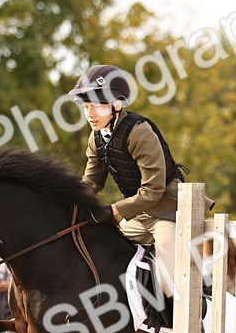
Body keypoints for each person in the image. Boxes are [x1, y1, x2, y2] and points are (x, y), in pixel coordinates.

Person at [69, 64, 207, 295]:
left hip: (167, 212)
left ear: (117, 105)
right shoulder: (97, 138)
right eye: (86, 107)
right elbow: (91, 183)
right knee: (104, 252)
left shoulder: (139, 132)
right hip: (138, 217)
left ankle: (201, 315)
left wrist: (112, 210)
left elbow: (153, 191)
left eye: (98, 107)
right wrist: (66, 201)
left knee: (169, 281)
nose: (90, 114)